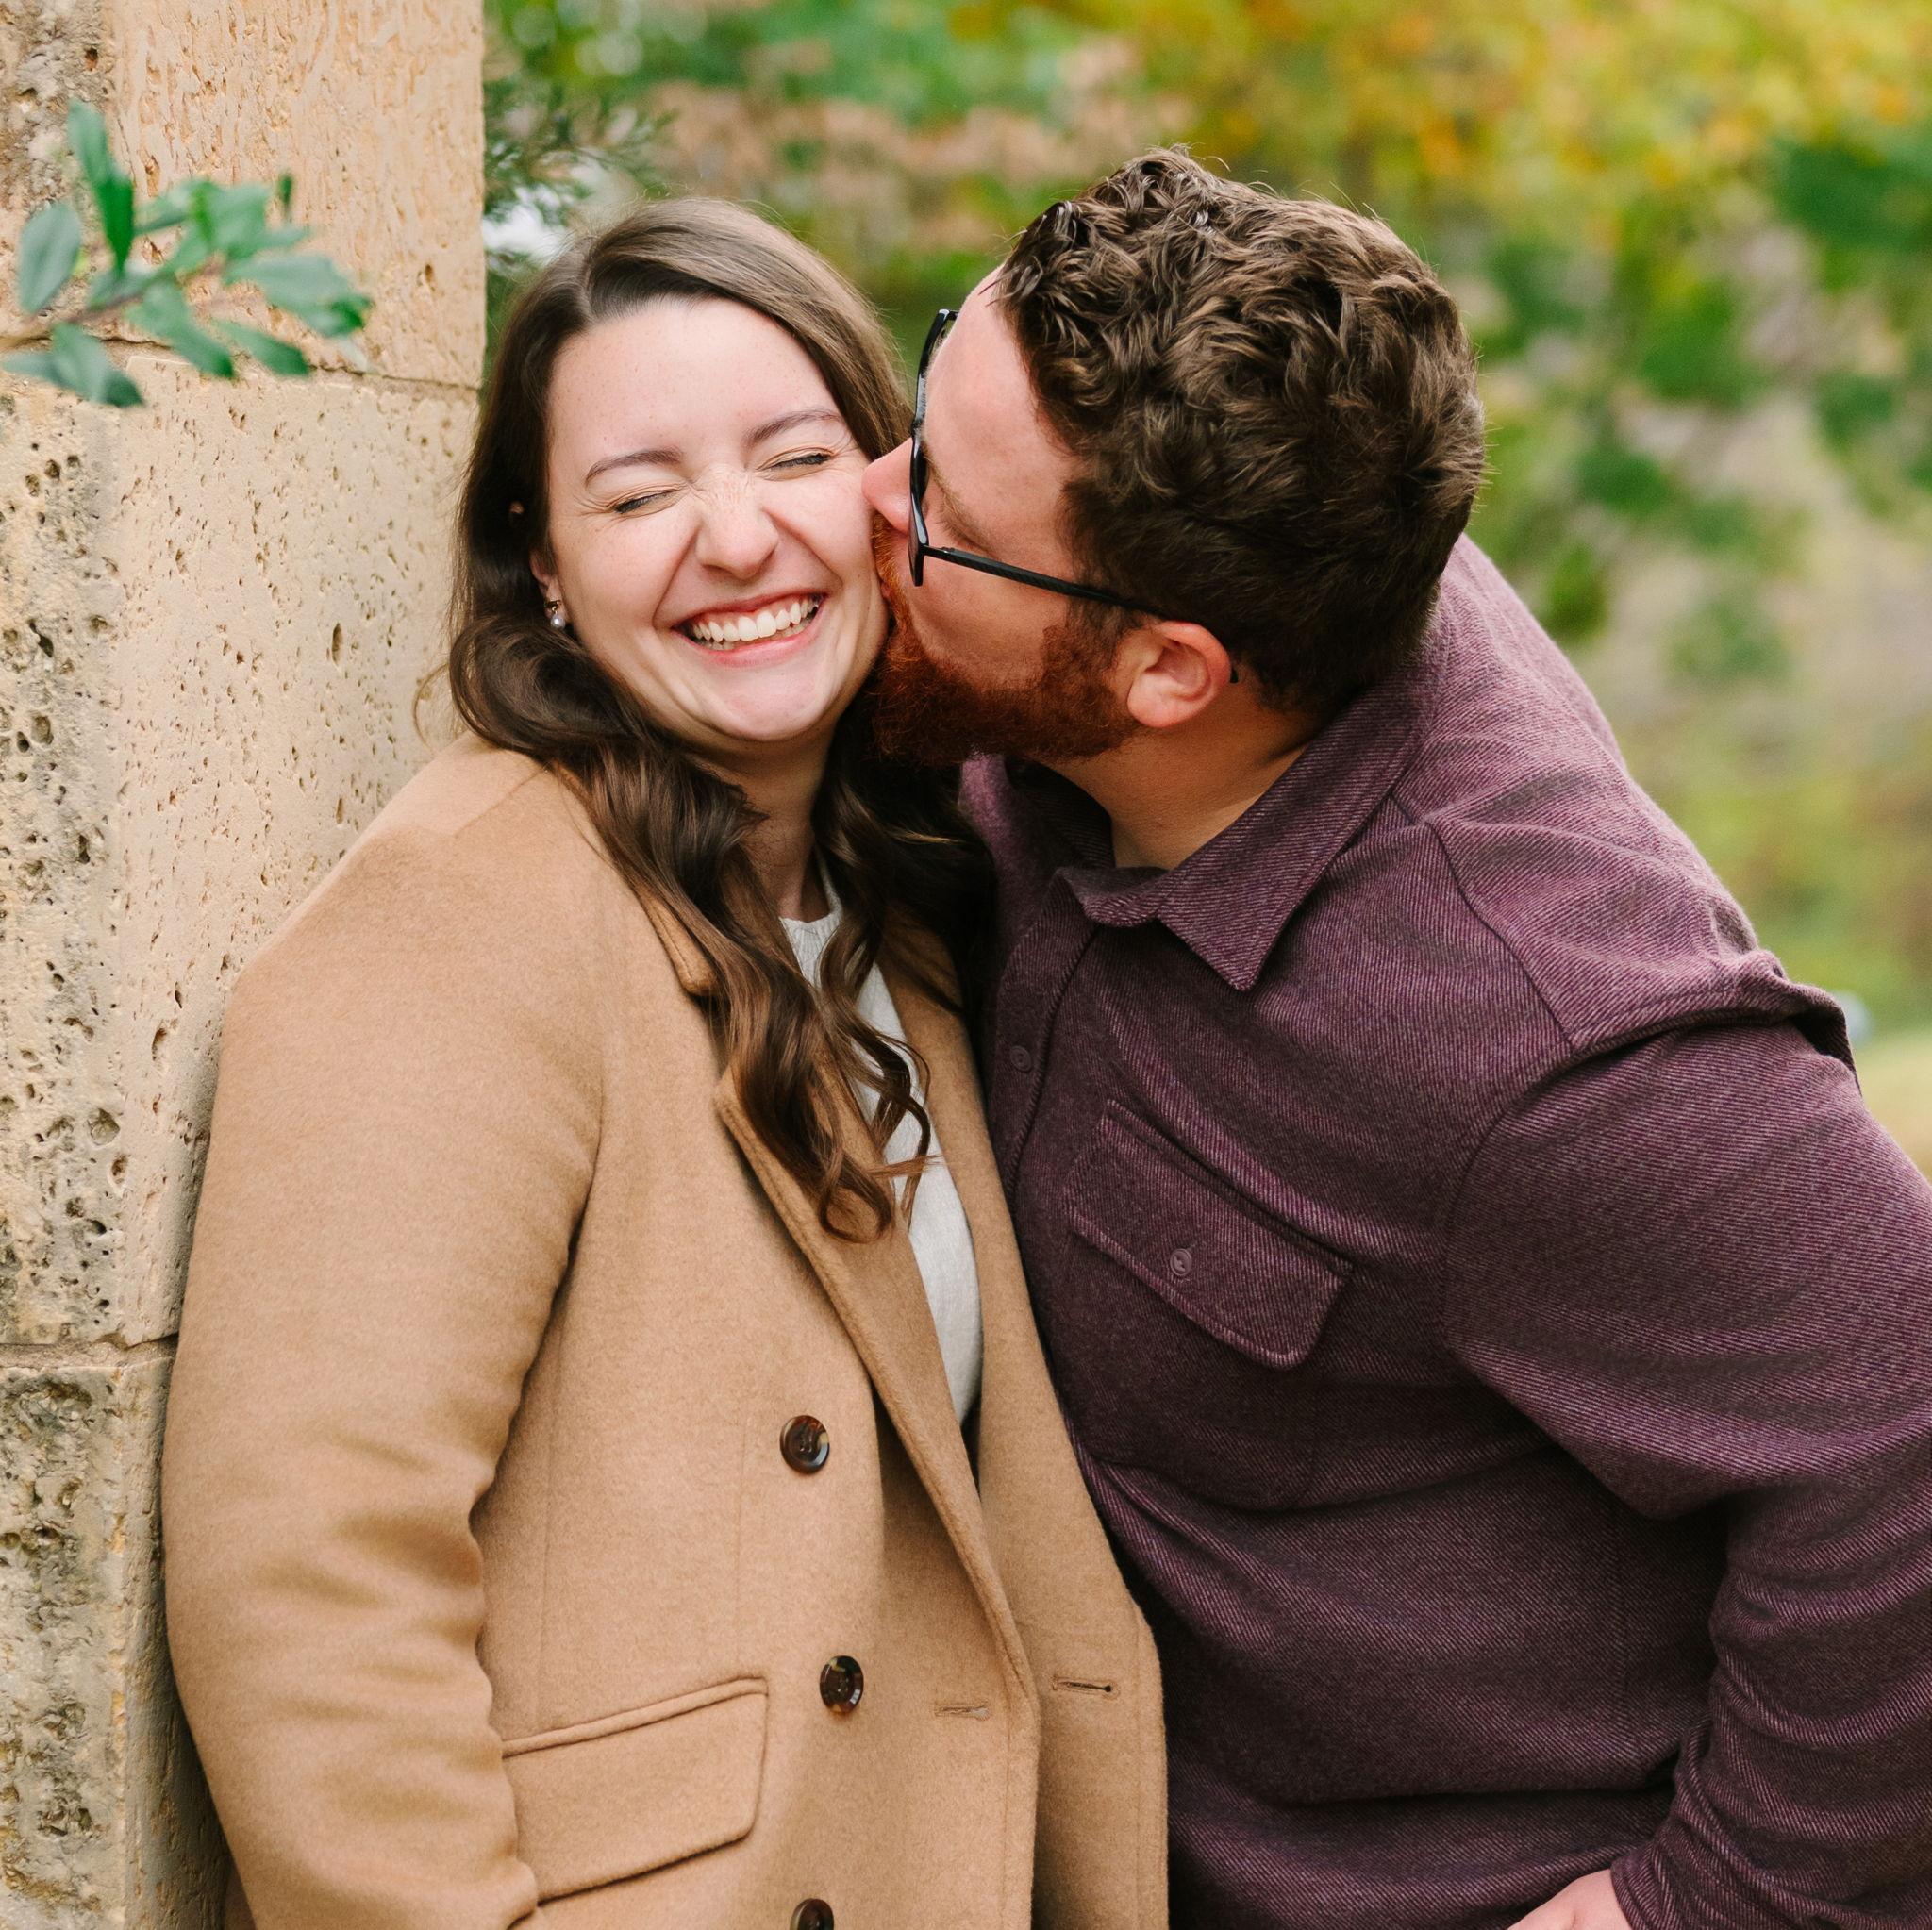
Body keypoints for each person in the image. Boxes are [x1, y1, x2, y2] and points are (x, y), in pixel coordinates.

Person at [860, 148, 1932, 1930]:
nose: (861, 503)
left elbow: (1908, 1430)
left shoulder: (1548, 1028)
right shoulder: (1217, 586)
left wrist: (1694, 1906)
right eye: (920, 393)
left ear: (1166, 676)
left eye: (932, 510)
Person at [159, 198, 1166, 1930]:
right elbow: (312, 1580)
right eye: (636, 496)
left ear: (886, 495)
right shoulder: (466, 908)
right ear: (540, 560)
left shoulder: (901, 901)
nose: (734, 537)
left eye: (792, 456)